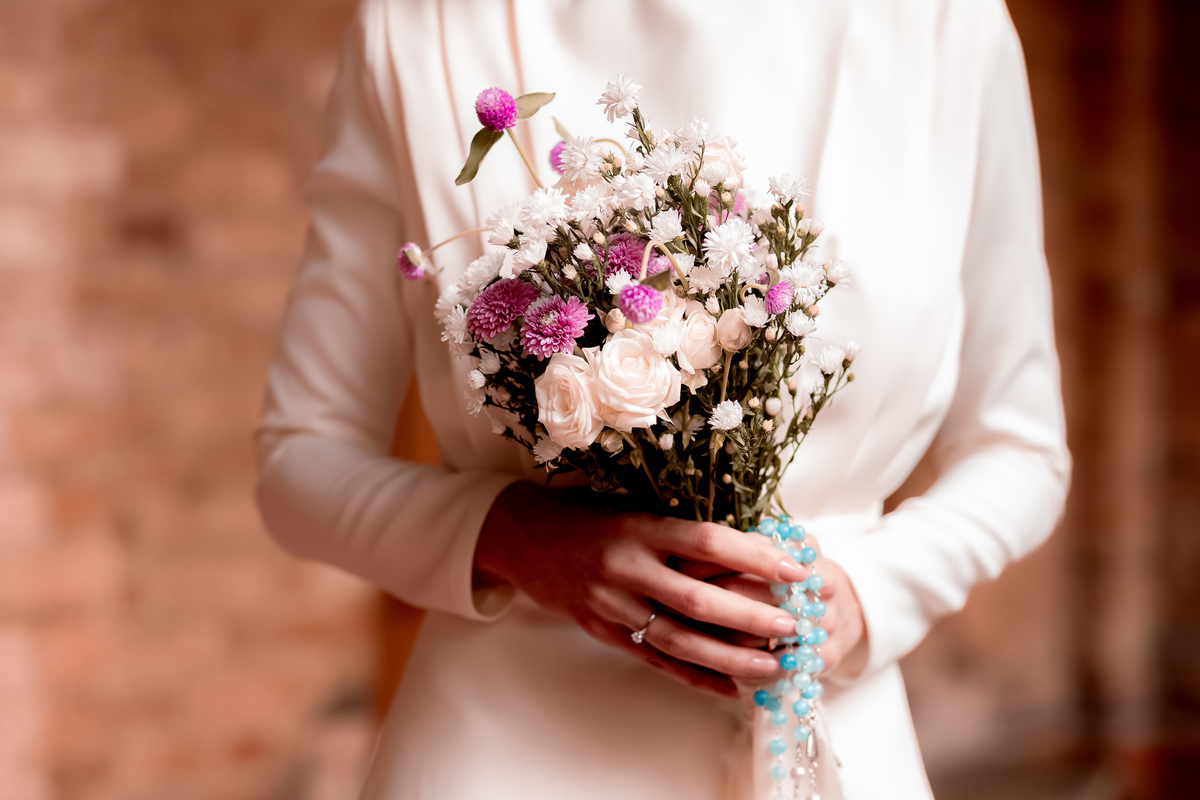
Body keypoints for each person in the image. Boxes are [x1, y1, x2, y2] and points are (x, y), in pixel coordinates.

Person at [254, 0, 1071, 797]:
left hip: (823, 745)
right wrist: (515, 537)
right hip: (505, 745)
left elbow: (1021, 451)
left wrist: (868, 591)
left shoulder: (946, 26)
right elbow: (299, 459)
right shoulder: (416, 29)